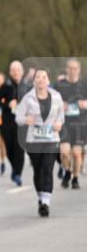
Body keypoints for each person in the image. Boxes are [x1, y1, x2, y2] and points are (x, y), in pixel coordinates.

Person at [15, 69, 65, 216]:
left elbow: (61, 115)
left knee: (47, 168)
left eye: (44, 77)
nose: (41, 79)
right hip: (34, 140)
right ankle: (40, 196)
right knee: (38, 170)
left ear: (48, 80)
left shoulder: (56, 96)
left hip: (52, 138)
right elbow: (18, 117)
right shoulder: (27, 98)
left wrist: (59, 123)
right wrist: (25, 119)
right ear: (34, 80)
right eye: (38, 77)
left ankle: (45, 202)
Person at [0, 60, 30, 186]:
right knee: (9, 149)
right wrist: (7, 104)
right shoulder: (5, 86)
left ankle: (17, 174)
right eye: (13, 70)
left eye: (18, 70)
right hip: (8, 122)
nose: (16, 72)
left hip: (22, 122)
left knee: (19, 149)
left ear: (22, 71)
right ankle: (15, 169)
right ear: (10, 72)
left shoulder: (27, 86)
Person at [55, 58, 86, 189]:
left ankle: (75, 178)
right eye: (70, 68)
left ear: (79, 70)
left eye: (75, 69)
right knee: (64, 152)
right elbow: (49, 100)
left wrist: (85, 104)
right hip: (64, 123)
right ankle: (67, 172)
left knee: (77, 153)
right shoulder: (59, 85)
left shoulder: (84, 85)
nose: (72, 71)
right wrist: (60, 105)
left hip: (80, 124)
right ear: (66, 69)